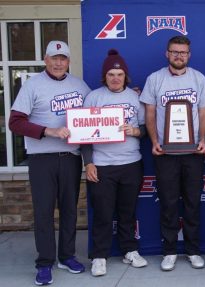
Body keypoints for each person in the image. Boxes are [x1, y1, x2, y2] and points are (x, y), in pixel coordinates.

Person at [8, 40, 90, 285]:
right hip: (41, 159)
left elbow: (93, 114)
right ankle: (44, 262)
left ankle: (66, 256)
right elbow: (15, 122)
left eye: (62, 58)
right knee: (44, 212)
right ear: (45, 60)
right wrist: (48, 131)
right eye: (54, 58)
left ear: (68, 61)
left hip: (70, 158)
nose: (58, 63)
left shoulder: (79, 85)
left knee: (69, 210)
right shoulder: (33, 85)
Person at [140, 35, 205, 271]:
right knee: (169, 202)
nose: (178, 56)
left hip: (193, 151)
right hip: (165, 152)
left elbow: (203, 113)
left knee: (192, 202)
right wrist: (153, 141)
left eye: (183, 52)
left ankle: (193, 250)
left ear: (189, 55)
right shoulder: (155, 79)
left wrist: (203, 140)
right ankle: (169, 250)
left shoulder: (198, 78)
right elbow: (150, 114)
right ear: (167, 54)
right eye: (174, 52)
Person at [81, 49, 148, 276]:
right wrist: (88, 163)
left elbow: (147, 129)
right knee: (102, 212)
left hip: (131, 163)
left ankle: (129, 249)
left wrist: (135, 130)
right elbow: (83, 134)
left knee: (127, 211)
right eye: (111, 74)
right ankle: (99, 256)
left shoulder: (135, 97)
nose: (115, 78)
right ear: (104, 77)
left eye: (119, 74)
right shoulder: (93, 97)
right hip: (102, 164)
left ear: (125, 76)